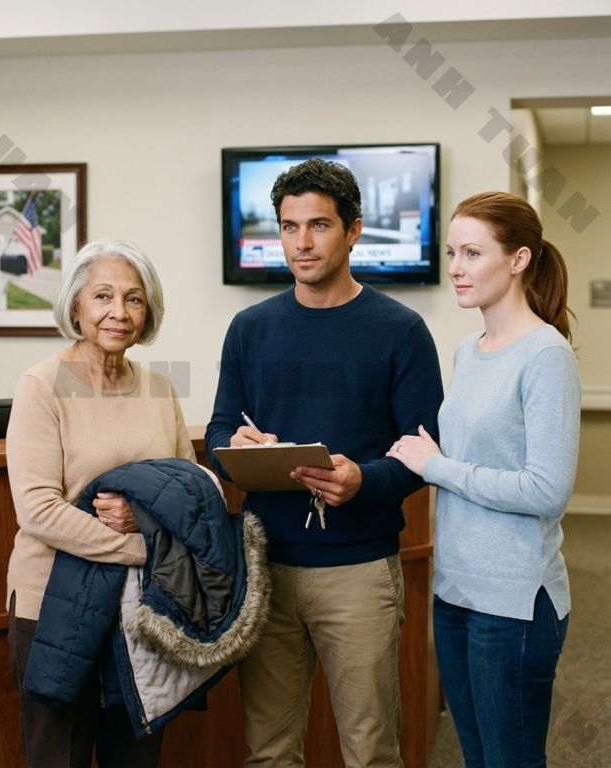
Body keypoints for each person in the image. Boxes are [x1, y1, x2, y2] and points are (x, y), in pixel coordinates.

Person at [205, 157, 444, 767]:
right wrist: (238, 452)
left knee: (370, 750)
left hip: (359, 571)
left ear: (354, 230)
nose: (301, 243)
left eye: (318, 226)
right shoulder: (249, 329)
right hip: (265, 565)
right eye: (288, 227)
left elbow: (425, 454)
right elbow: (219, 431)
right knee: (270, 751)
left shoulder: (401, 329)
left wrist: (364, 480)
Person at [387, 191, 581, 768]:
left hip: (515, 601)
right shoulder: (466, 351)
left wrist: (437, 467)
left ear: (519, 259)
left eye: (473, 253)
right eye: (452, 252)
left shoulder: (546, 355)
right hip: (455, 591)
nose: (455, 268)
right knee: (476, 758)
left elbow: (546, 490)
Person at [6, 239, 196, 768]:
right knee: (59, 756)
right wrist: (143, 547)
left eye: (134, 299)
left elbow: (191, 491)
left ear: (148, 312)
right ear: (75, 306)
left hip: (143, 610)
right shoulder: (43, 385)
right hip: (54, 606)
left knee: (136, 755)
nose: (119, 312)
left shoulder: (159, 387)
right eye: (103, 296)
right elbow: (38, 509)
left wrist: (149, 524)